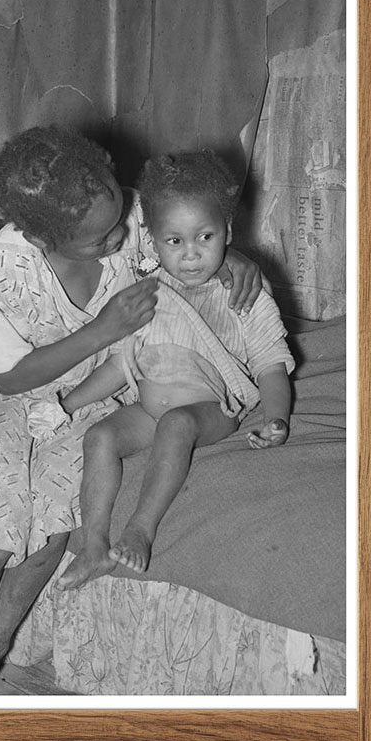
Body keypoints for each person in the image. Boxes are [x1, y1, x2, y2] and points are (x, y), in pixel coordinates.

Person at [0, 128, 263, 695]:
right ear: (38, 237)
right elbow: (10, 378)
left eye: (118, 225)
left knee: (55, 514)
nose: (118, 240)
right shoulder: (4, 271)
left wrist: (236, 259)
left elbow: (184, 241)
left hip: (105, 386)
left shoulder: (128, 215)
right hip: (14, 391)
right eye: (97, 240)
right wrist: (103, 328)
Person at [59, 151, 294, 588]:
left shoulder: (244, 294)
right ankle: (93, 544)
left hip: (207, 411)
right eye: (175, 241)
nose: (191, 255)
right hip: (147, 410)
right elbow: (121, 361)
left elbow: (271, 363)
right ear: (151, 239)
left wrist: (275, 417)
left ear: (227, 231)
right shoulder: (146, 291)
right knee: (100, 436)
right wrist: (67, 404)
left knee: (175, 424)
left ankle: (140, 529)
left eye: (205, 237)